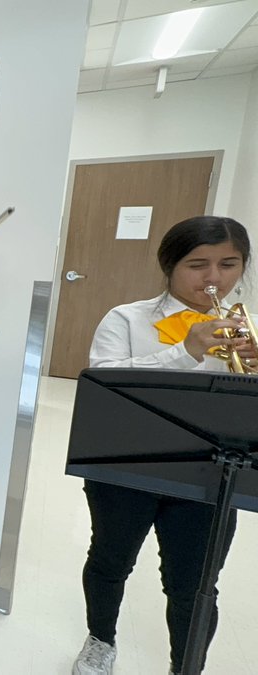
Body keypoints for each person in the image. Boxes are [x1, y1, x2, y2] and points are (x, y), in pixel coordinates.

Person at [72, 216, 253, 675]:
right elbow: (105, 384)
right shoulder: (126, 319)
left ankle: (185, 666)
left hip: (212, 474)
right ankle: (100, 639)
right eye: (198, 265)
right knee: (110, 560)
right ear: (170, 266)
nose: (214, 279)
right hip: (126, 466)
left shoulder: (249, 330)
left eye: (229, 264)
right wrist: (185, 352)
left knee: (195, 584)